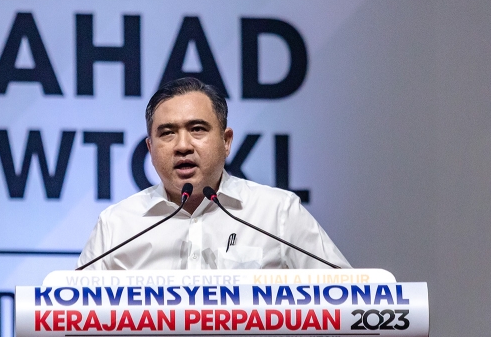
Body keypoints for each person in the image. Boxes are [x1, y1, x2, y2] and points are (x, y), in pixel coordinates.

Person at [77, 77, 350, 270]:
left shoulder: (277, 213)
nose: (183, 146)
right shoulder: (117, 225)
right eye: (167, 133)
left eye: (197, 129)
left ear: (226, 141)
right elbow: (64, 317)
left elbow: (354, 300)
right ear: (150, 147)